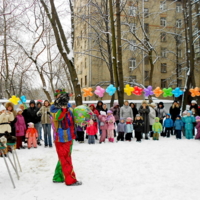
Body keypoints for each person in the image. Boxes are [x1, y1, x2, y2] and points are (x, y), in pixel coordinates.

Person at [50, 89, 82, 186]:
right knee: (66, 159)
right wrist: (63, 108)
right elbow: (58, 117)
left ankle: (58, 177)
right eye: (59, 96)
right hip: (61, 137)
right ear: (56, 97)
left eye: (63, 96)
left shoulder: (69, 107)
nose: (61, 98)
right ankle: (70, 180)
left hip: (69, 136)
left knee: (63, 158)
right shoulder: (54, 107)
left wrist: (84, 120)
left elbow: (74, 119)